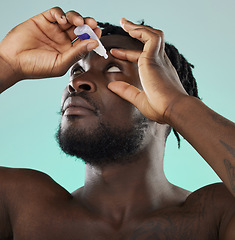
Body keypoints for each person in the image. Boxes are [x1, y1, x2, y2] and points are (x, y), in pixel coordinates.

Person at [0, 6, 234, 239]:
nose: (78, 83)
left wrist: (177, 105)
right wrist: (6, 64)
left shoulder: (216, 215)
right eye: (77, 70)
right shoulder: (23, 206)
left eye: (113, 68)